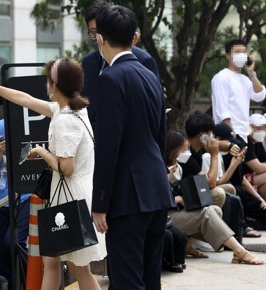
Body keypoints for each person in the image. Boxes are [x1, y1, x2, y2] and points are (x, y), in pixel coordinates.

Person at [0, 57, 107, 290]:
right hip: (72, 197)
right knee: (53, 261)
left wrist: (40, 151)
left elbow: (66, 167)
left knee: (78, 268)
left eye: (49, 79)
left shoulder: (65, 120)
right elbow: (26, 99)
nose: (46, 84)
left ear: (55, 84)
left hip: (69, 199)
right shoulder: (73, 110)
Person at [90, 5, 175, 290]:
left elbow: (108, 146)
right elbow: (160, 136)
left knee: (126, 282)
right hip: (156, 191)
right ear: (134, 37)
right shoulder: (150, 75)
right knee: (150, 280)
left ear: (101, 39)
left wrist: (100, 203)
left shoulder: (110, 78)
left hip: (128, 197)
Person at [165, 129, 264, 264]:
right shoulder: (160, 166)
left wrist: (228, 161)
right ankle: (240, 251)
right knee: (209, 211)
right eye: (182, 149)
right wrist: (174, 197)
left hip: (177, 209)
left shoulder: (181, 164)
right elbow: (152, 195)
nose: (185, 152)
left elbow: (210, 183)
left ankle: (187, 246)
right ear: (172, 150)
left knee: (215, 209)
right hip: (166, 216)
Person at [81, 0, 160, 128]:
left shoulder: (143, 60)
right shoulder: (88, 62)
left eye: (100, 32)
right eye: (93, 33)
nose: (98, 38)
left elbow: (156, 113)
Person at [0, 119, 31, 290]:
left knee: (12, 242)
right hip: (1, 197)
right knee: (1, 253)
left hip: (27, 194)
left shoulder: (30, 118)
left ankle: (30, 283)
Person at [211, 38, 266, 143]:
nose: (241, 55)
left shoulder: (245, 79)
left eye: (244, 52)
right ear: (228, 56)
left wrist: (251, 73)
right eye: (237, 52)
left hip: (244, 134)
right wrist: (232, 134)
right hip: (228, 136)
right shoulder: (221, 77)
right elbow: (222, 111)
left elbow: (260, 95)